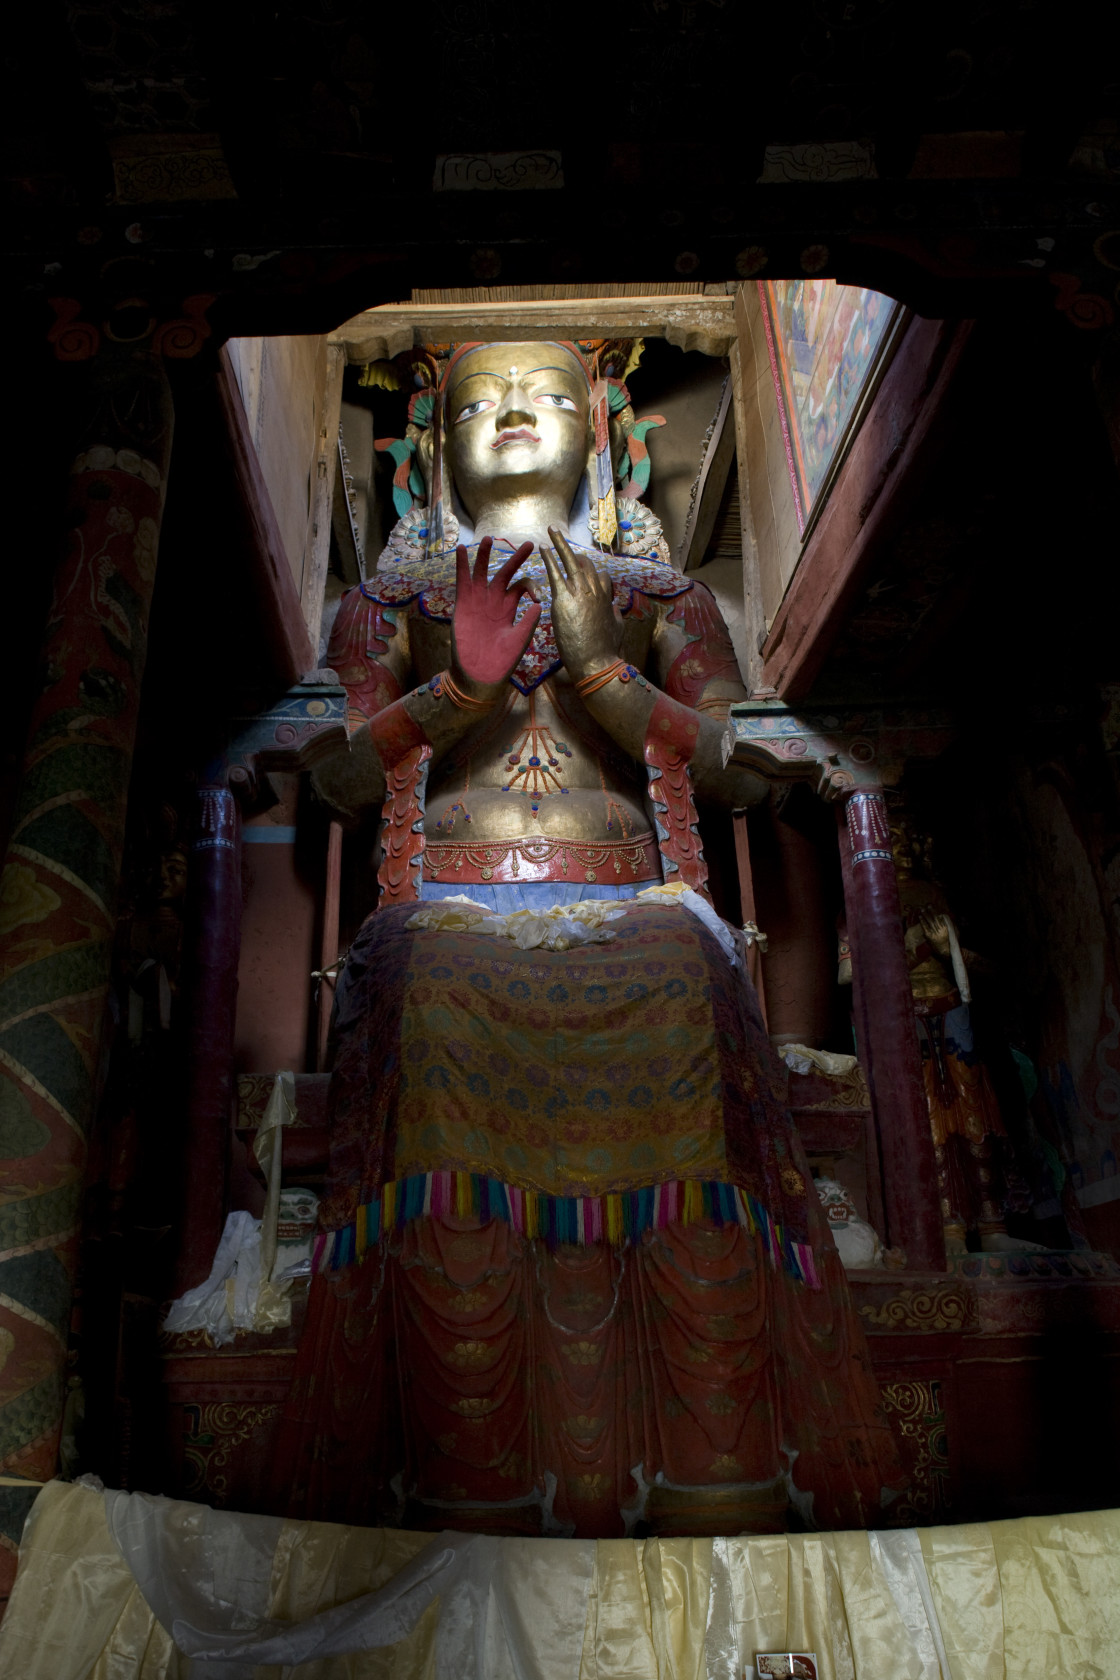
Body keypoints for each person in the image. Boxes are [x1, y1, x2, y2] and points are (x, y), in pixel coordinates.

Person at [276, 339, 903, 1537]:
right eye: (482, 401)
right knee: (431, 980)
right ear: (435, 440)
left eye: (548, 394)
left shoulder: (665, 596)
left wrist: (608, 669)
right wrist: (453, 687)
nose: (513, 413)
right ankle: (479, 1485)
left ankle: (713, 1474)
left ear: (602, 431)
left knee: (680, 968)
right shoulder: (388, 600)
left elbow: (745, 774)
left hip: (632, 905)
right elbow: (345, 782)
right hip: (447, 907)